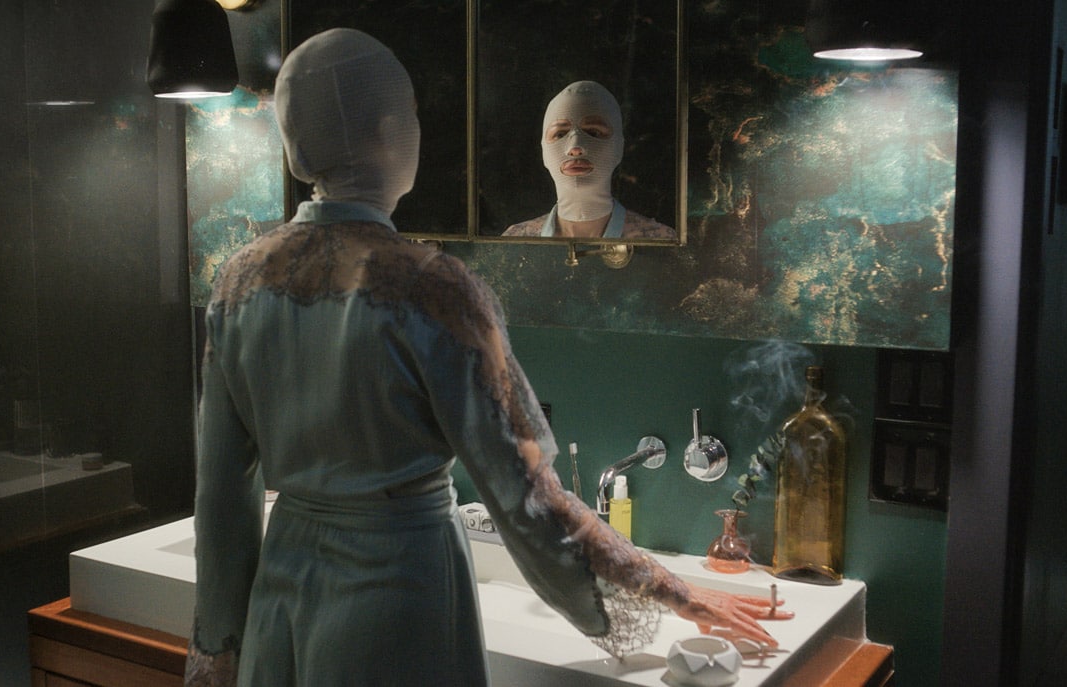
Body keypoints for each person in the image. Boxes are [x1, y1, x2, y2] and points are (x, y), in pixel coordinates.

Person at [186, 28, 785, 687]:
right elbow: (527, 498)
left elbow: (220, 498)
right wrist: (676, 590)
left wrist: (218, 650)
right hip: (395, 605)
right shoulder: (432, 288)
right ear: (389, 130)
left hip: (281, 601)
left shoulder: (239, 282)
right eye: (412, 115)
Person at [503, 80, 677, 240]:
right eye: (560, 134)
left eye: (593, 132)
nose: (575, 148)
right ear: (544, 151)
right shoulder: (515, 241)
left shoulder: (661, 241)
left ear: (618, 147)